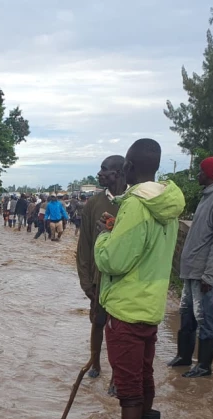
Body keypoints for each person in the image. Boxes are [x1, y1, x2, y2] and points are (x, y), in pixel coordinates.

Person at [94, 138, 185, 419]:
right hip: (151, 306)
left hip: (126, 307)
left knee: (129, 390)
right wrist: (118, 232)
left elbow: (113, 261)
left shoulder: (135, 205)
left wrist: (104, 238)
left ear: (129, 168)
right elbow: (146, 248)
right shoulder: (168, 203)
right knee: (144, 380)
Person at [168, 157, 213, 378]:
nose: (197, 175)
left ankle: (204, 366)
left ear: (209, 175)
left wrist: (209, 276)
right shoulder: (207, 197)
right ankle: (184, 356)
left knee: (205, 319)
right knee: (187, 314)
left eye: (200, 171)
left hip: (203, 274)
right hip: (192, 270)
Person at [76, 156, 127, 379]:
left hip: (126, 279)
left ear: (118, 173)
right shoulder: (94, 203)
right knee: (98, 321)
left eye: (104, 170)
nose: (99, 174)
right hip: (99, 278)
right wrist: (86, 282)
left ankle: (119, 373)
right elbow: (84, 244)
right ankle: (95, 363)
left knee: (122, 330)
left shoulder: (132, 202)